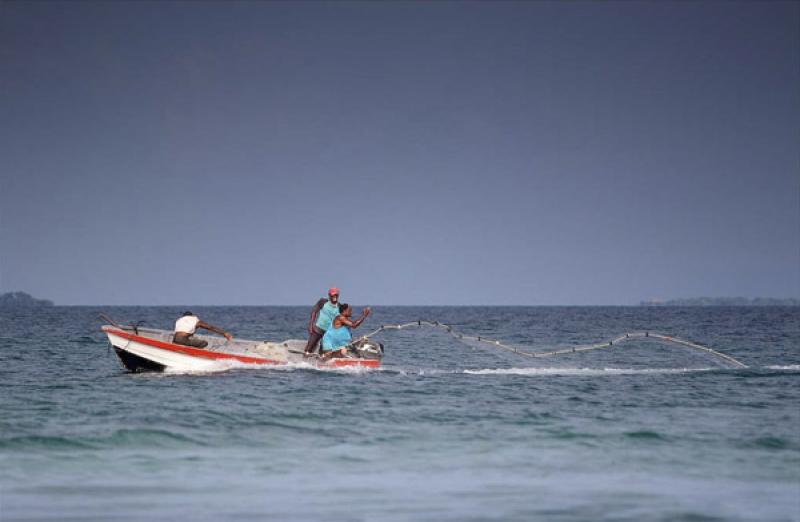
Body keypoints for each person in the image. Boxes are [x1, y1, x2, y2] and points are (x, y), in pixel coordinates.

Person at [304, 287, 341, 357]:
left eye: (336, 295)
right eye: (333, 295)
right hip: (318, 329)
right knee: (310, 347)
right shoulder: (323, 301)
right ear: (329, 295)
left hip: (328, 332)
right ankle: (305, 358)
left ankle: (320, 362)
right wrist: (310, 325)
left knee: (323, 351)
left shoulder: (339, 306)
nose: (334, 297)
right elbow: (314, 312)